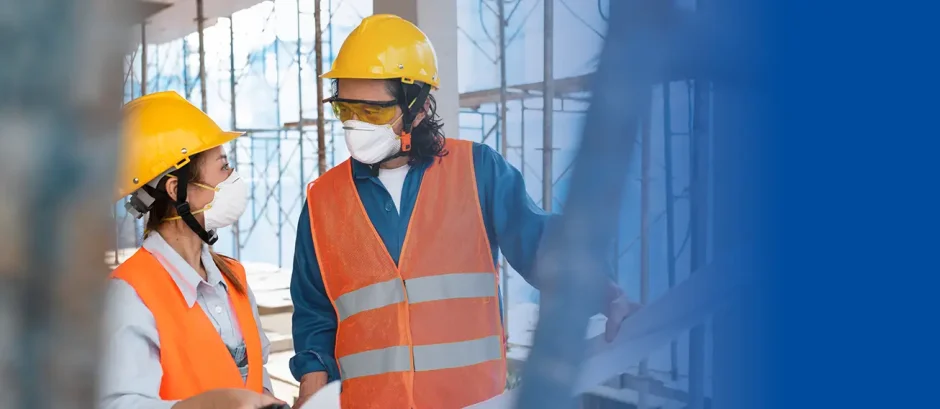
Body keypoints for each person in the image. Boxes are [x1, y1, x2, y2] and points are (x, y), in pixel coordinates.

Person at [288, 14, 641, 409]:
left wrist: (606, 293)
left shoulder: (478, 171)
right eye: (345, 110)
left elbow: (543, 247)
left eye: (372, 112)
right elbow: (315, 314)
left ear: (418, 107)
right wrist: (312, 392)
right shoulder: (323, 200)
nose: (355, 125)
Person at [100, 91, 287, 409]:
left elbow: (255, 376)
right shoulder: (130, 292)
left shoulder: (234, 278)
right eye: (223, 167)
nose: (232, 178)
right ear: (176, 189)